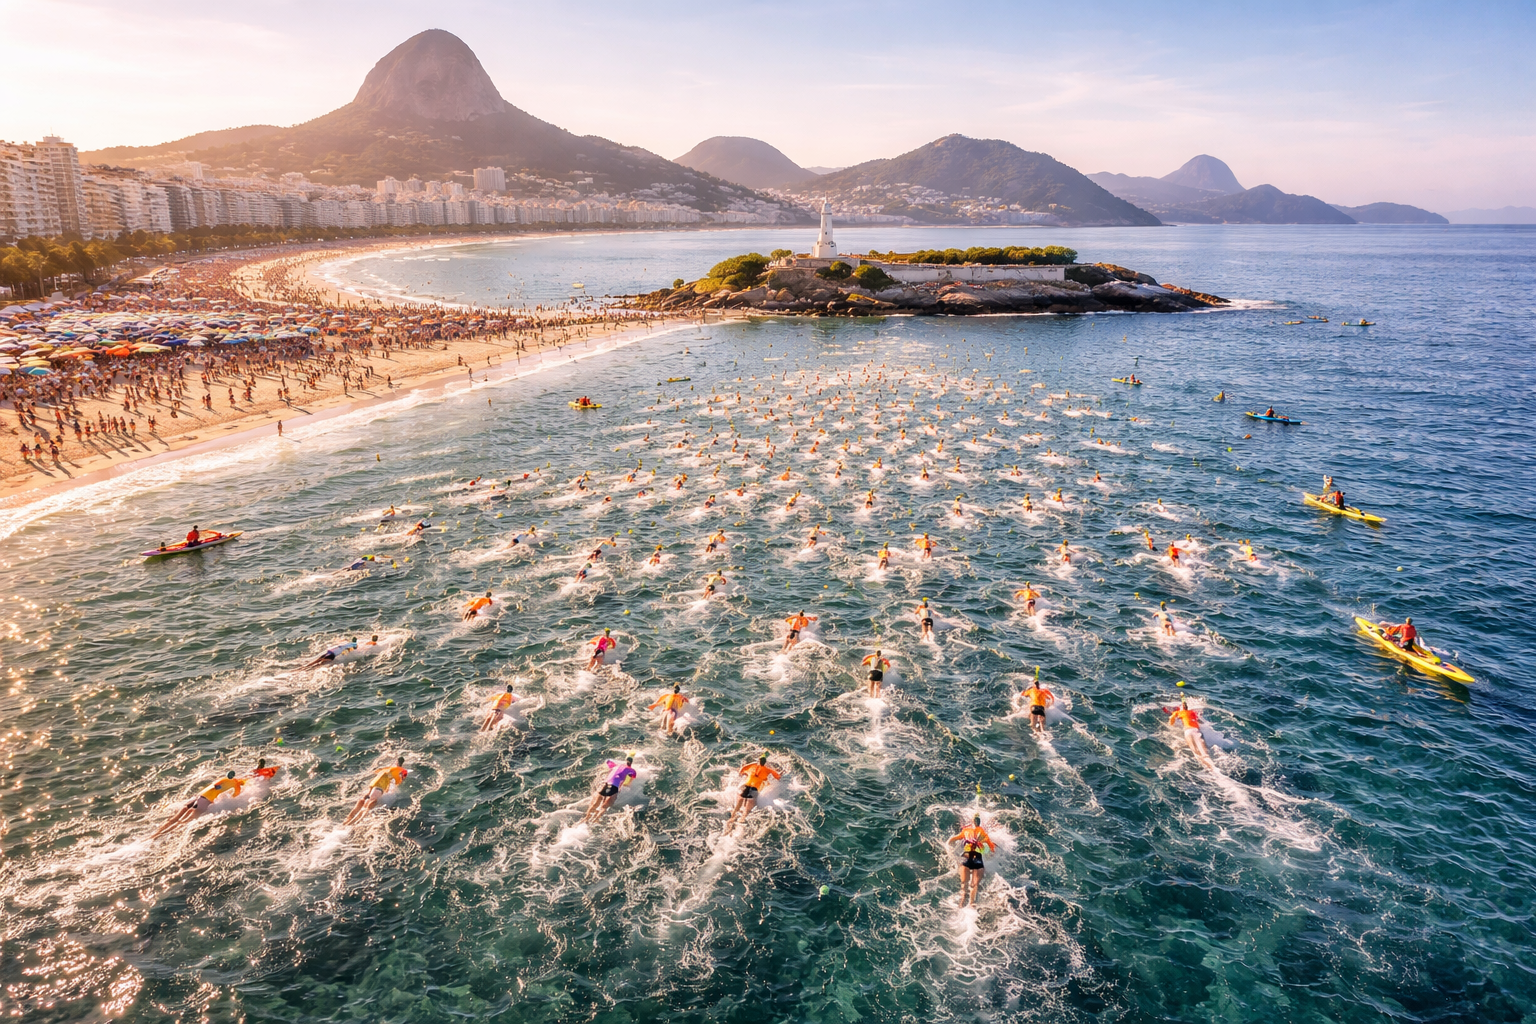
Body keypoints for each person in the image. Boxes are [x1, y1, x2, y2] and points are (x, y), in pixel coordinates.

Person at [152, 769, 245, 839]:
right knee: (182, 822)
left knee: (175, 819)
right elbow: (234, 796)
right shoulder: (236, 786)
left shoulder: (223, 779)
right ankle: (158, 836)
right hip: (203, 803)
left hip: (196, 798)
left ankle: (154, 835)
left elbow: (215, 786)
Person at [344, 756, 408, 825]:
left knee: (363, 801)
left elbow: (379, 773)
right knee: (368, 803)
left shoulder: (389, 769)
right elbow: (398, 780)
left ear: (396, 762)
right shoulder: (398, 770)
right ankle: (354, 821)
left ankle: (349, 819)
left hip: (373, 786)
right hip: (378, 787)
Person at [948, 814, 996, 908]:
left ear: (972, 822)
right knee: (974, 884)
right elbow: (992, 849)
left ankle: (962, 902)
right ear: (979, 823)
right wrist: (989, 850)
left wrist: (948, 847)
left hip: (966, 858)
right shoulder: (983, 834)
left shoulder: (966, 831)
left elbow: (952, 840)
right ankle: (971, 903)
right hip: (977, 859)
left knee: (964, 884)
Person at [728, 753, 782, 830]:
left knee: (740, 803)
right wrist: (779, 773)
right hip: (753, 789)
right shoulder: (767, 770)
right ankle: (741, 819)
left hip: (746, 787)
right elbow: (778, 777)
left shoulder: (752, 766)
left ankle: (733, 817)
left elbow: (742, 770)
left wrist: (743, 772)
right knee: (746, 809)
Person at [582, 755, 637, 823]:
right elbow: (632, 777)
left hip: (604, 784)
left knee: (595, 804)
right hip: (614, 787)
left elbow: (608, 761)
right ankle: (595, 820)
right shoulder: (631, 770)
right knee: (604, 806)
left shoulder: (615, 765)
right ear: (631, 763)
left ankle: (586, 818)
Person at [1169, 697, 1215, 769]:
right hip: (1196, 731)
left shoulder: (1178, 712)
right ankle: (1214, 768)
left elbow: (1171, 721)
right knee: (1205, 754)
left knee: (1196, 754)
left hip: (1188, 732)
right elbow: (1200, 721)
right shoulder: (1193, 712)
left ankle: (1210, 769)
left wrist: (1171, 723)